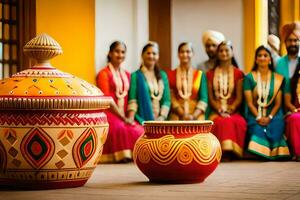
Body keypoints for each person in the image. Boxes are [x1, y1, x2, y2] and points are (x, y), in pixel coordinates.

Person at [96, 41, 144, 163]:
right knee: (120, 128)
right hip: (109, 112)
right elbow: (107, 99)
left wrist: (130, 116)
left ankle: (137, 156)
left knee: (139, 130)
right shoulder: (103, 74)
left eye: (123, 52)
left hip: (125, 114)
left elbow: (133, 98)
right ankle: (121, 156)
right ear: (110, 53)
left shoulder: (128, 75)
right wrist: (123, 117)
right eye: (117, 51)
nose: (120, 54)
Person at [244, 45, 290, 160]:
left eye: (265, 55)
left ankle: (272, 151)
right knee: (258, 129)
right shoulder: (249, 78)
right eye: (259, 55)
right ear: (255, 59)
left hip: (274, 115)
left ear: (270, 59)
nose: (262, 58)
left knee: (276, 126)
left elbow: (278, 103)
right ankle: (262, 152)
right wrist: (259, 117)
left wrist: (269, 117)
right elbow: (249, 103)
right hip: (255, 115)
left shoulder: (278, 78)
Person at [206, 41, 246, 159]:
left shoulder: (239, 74)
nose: (224, 53)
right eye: (221, 51)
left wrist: (230, 110)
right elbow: (211, 98)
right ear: (217, 54)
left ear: (232, 53)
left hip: (233, 111)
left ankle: (232, 152)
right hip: (216, 111)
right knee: (219, 122)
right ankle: (219, 152)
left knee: (238, 122)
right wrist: (219, 110)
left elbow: (239, 98)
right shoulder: (209, 74)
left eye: (227, 50)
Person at [127, 42, 171, 124]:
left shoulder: (163, 75)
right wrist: (132, 118)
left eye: (154, 53)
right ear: (142, 55)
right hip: (141, 119)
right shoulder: (136, 75)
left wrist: (162, 117)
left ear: (158, 56)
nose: (151, 56)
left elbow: (166, 100)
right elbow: (133, 99)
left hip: (162, 121)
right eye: (148, 53)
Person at [168, 42, 208, 120]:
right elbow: (171, 97)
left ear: (192, 53)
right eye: (182, 52)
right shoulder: (171, 74)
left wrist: (194, 116)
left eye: (188, 52)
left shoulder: (200, 75)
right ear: (178, 54)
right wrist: (182, 114)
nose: (185, 54)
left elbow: (204, 98)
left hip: (196, 114)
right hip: (177, 113)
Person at [278, 22, 300, 161]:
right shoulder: (278, 63)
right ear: (285, 42)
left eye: (296, 40)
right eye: (290, 40)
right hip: (282, 106)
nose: (293, 43)